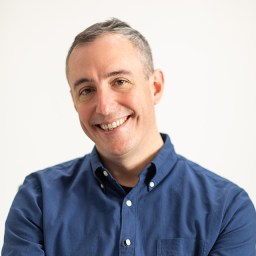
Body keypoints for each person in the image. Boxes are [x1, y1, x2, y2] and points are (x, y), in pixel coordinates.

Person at [2, 18, 256, 256]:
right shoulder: (37, 201)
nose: (104, 106)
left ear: (155, 87)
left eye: (120, 81)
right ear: (74, 101)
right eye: (87, 90)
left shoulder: (228, 210)